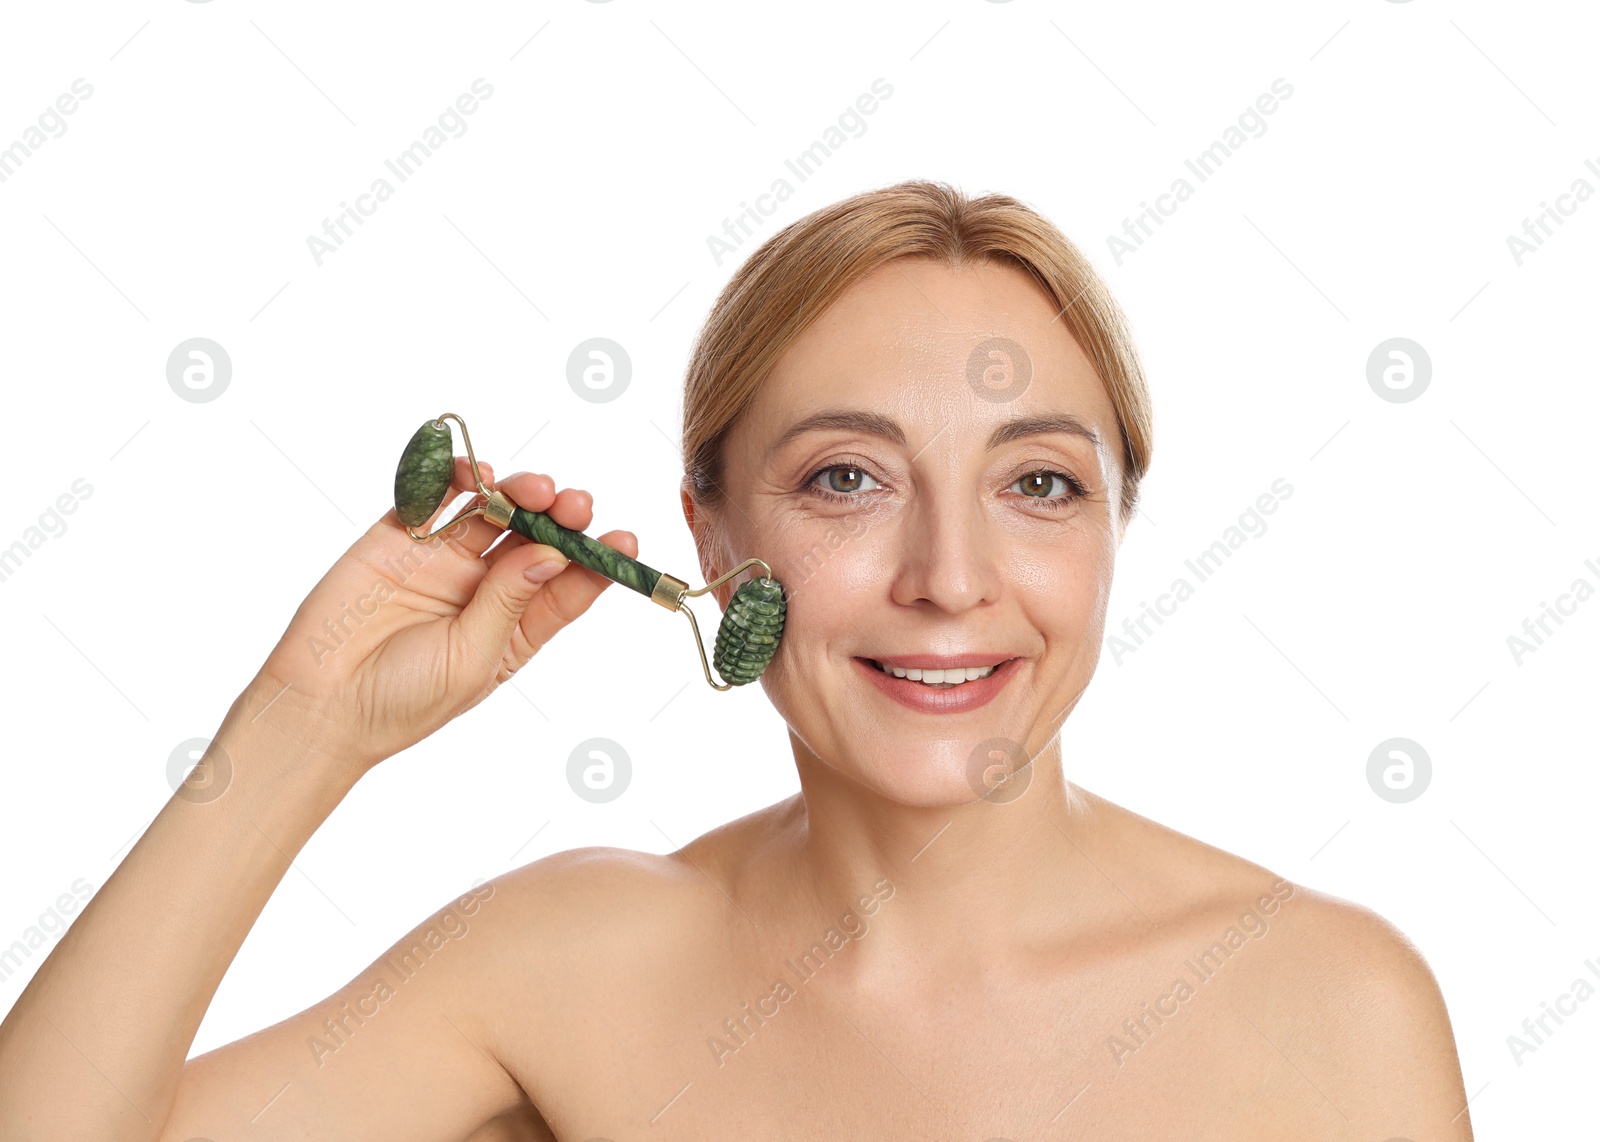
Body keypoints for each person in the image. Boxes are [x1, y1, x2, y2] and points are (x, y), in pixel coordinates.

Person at [0, 180, 1472, 1140]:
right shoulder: (576, 962)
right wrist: (302, 728)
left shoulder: (1329, 1004)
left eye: (1037, 484)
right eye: (848, 478)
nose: (950, 577)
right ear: (710, 539)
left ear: (1115, 525)